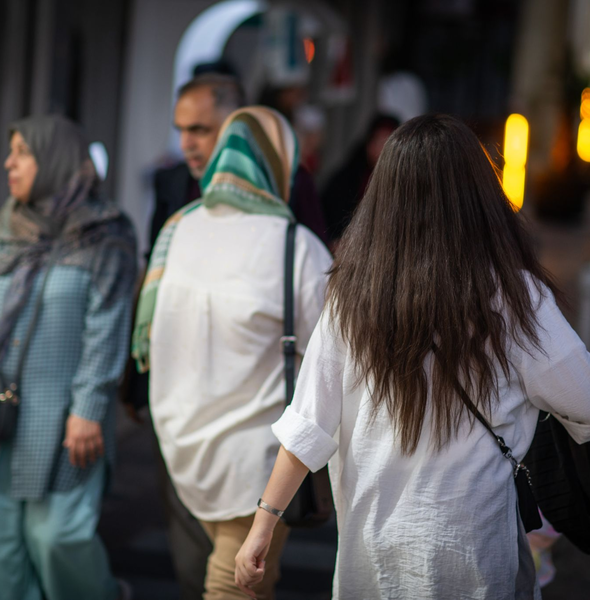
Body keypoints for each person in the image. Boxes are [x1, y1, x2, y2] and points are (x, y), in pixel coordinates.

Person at [235, 114, 590, 599]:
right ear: (480, 196)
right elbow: (585, 402)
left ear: (384, 197)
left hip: (373, 555)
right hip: (474, 550)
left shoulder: (351, 296)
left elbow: (308, 423)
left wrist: (262, 524)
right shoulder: (517, 297)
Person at [132, 107, 332, 599]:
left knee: (243, 581)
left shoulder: (177, 228)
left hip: (181, 443)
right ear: (280, 163)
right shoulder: (297, 246)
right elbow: (336, 357)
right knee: (238, 586)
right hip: (258, 464)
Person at [0, 115, 137, 600]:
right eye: (11, 151)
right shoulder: (5, 226)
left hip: (65, 423)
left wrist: (88, 410)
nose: (9, 162)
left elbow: (107, 328)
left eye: (22, 151)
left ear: (54, 158)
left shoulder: (106, 235)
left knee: (58, 539)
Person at [151, 73, 327, 247]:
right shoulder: (172, 183)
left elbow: (313, 253)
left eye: (199, 130)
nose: (185, 144)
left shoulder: (290, 181)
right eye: (180, 130)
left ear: (236, 127)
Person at [321, 113, 400, 247]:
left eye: (387, 143)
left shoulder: (404, 184)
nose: (381, 150)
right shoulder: (347, 180)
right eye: (378, 141)